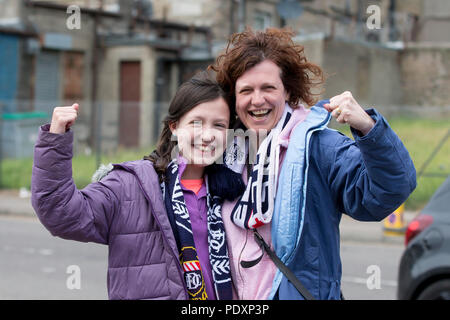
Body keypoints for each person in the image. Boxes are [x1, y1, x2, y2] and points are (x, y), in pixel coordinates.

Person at [209, 27, 417, 300]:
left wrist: (368, 127)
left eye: (268, 88)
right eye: (246, 90)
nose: (257, 100)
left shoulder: (318, 147)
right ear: (233, 98)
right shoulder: (221, 153)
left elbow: (388, 191)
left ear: (288, 91)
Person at [31, 71, 245, 300]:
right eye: (196, 122)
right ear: (174, 126)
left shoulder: (232, 190)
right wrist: (55, 141)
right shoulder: (130, 184)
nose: (208, 135)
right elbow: (60, 213)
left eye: (219, 125)